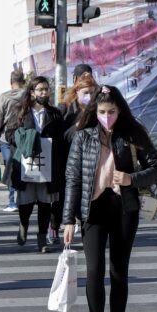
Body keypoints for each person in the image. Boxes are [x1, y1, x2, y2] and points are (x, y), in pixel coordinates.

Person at [63, 85, 157, 312]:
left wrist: (131, 178)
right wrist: (68, 219)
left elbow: (156, 167)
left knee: (119, 272)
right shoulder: (83, 136)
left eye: (112, 112)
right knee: (94, 270)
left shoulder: (133, 133)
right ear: (95, 111)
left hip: (124, 209)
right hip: (92, 209)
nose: (107, 117)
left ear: (120, 110)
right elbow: (72, 178)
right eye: (102, 112)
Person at [5, 76, 64, 253]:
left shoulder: (54, 113)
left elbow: (61, 140)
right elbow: (9, 134)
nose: (44, 93)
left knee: (45, 203)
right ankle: (23, 225)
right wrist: (25, 137)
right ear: (32, 92)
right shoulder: (20, 111)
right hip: (26, 163)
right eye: (40, 89)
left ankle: (42, 239)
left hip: (48, 164)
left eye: (46, 89)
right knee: (26, 201)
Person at [49, 72, 97, 244]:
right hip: (66, 161)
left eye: (92, 92)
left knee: (87, 199)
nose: (89, 97)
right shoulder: (66, 110)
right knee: (63, 198)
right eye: (85, 93)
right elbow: (59, 137)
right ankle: (54, 226)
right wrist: (77, 127)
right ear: (76, 92)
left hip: (90, 162)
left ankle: (88, 234)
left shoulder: (99, 109)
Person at [0, 70, 25, 212]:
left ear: (11, 82)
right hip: (24, 138)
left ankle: (12, 202)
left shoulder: (3, 97)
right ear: (23, 81)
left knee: (10, 169)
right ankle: (24, 199)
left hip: (6, 139)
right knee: (23, 168)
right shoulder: (28, 96)